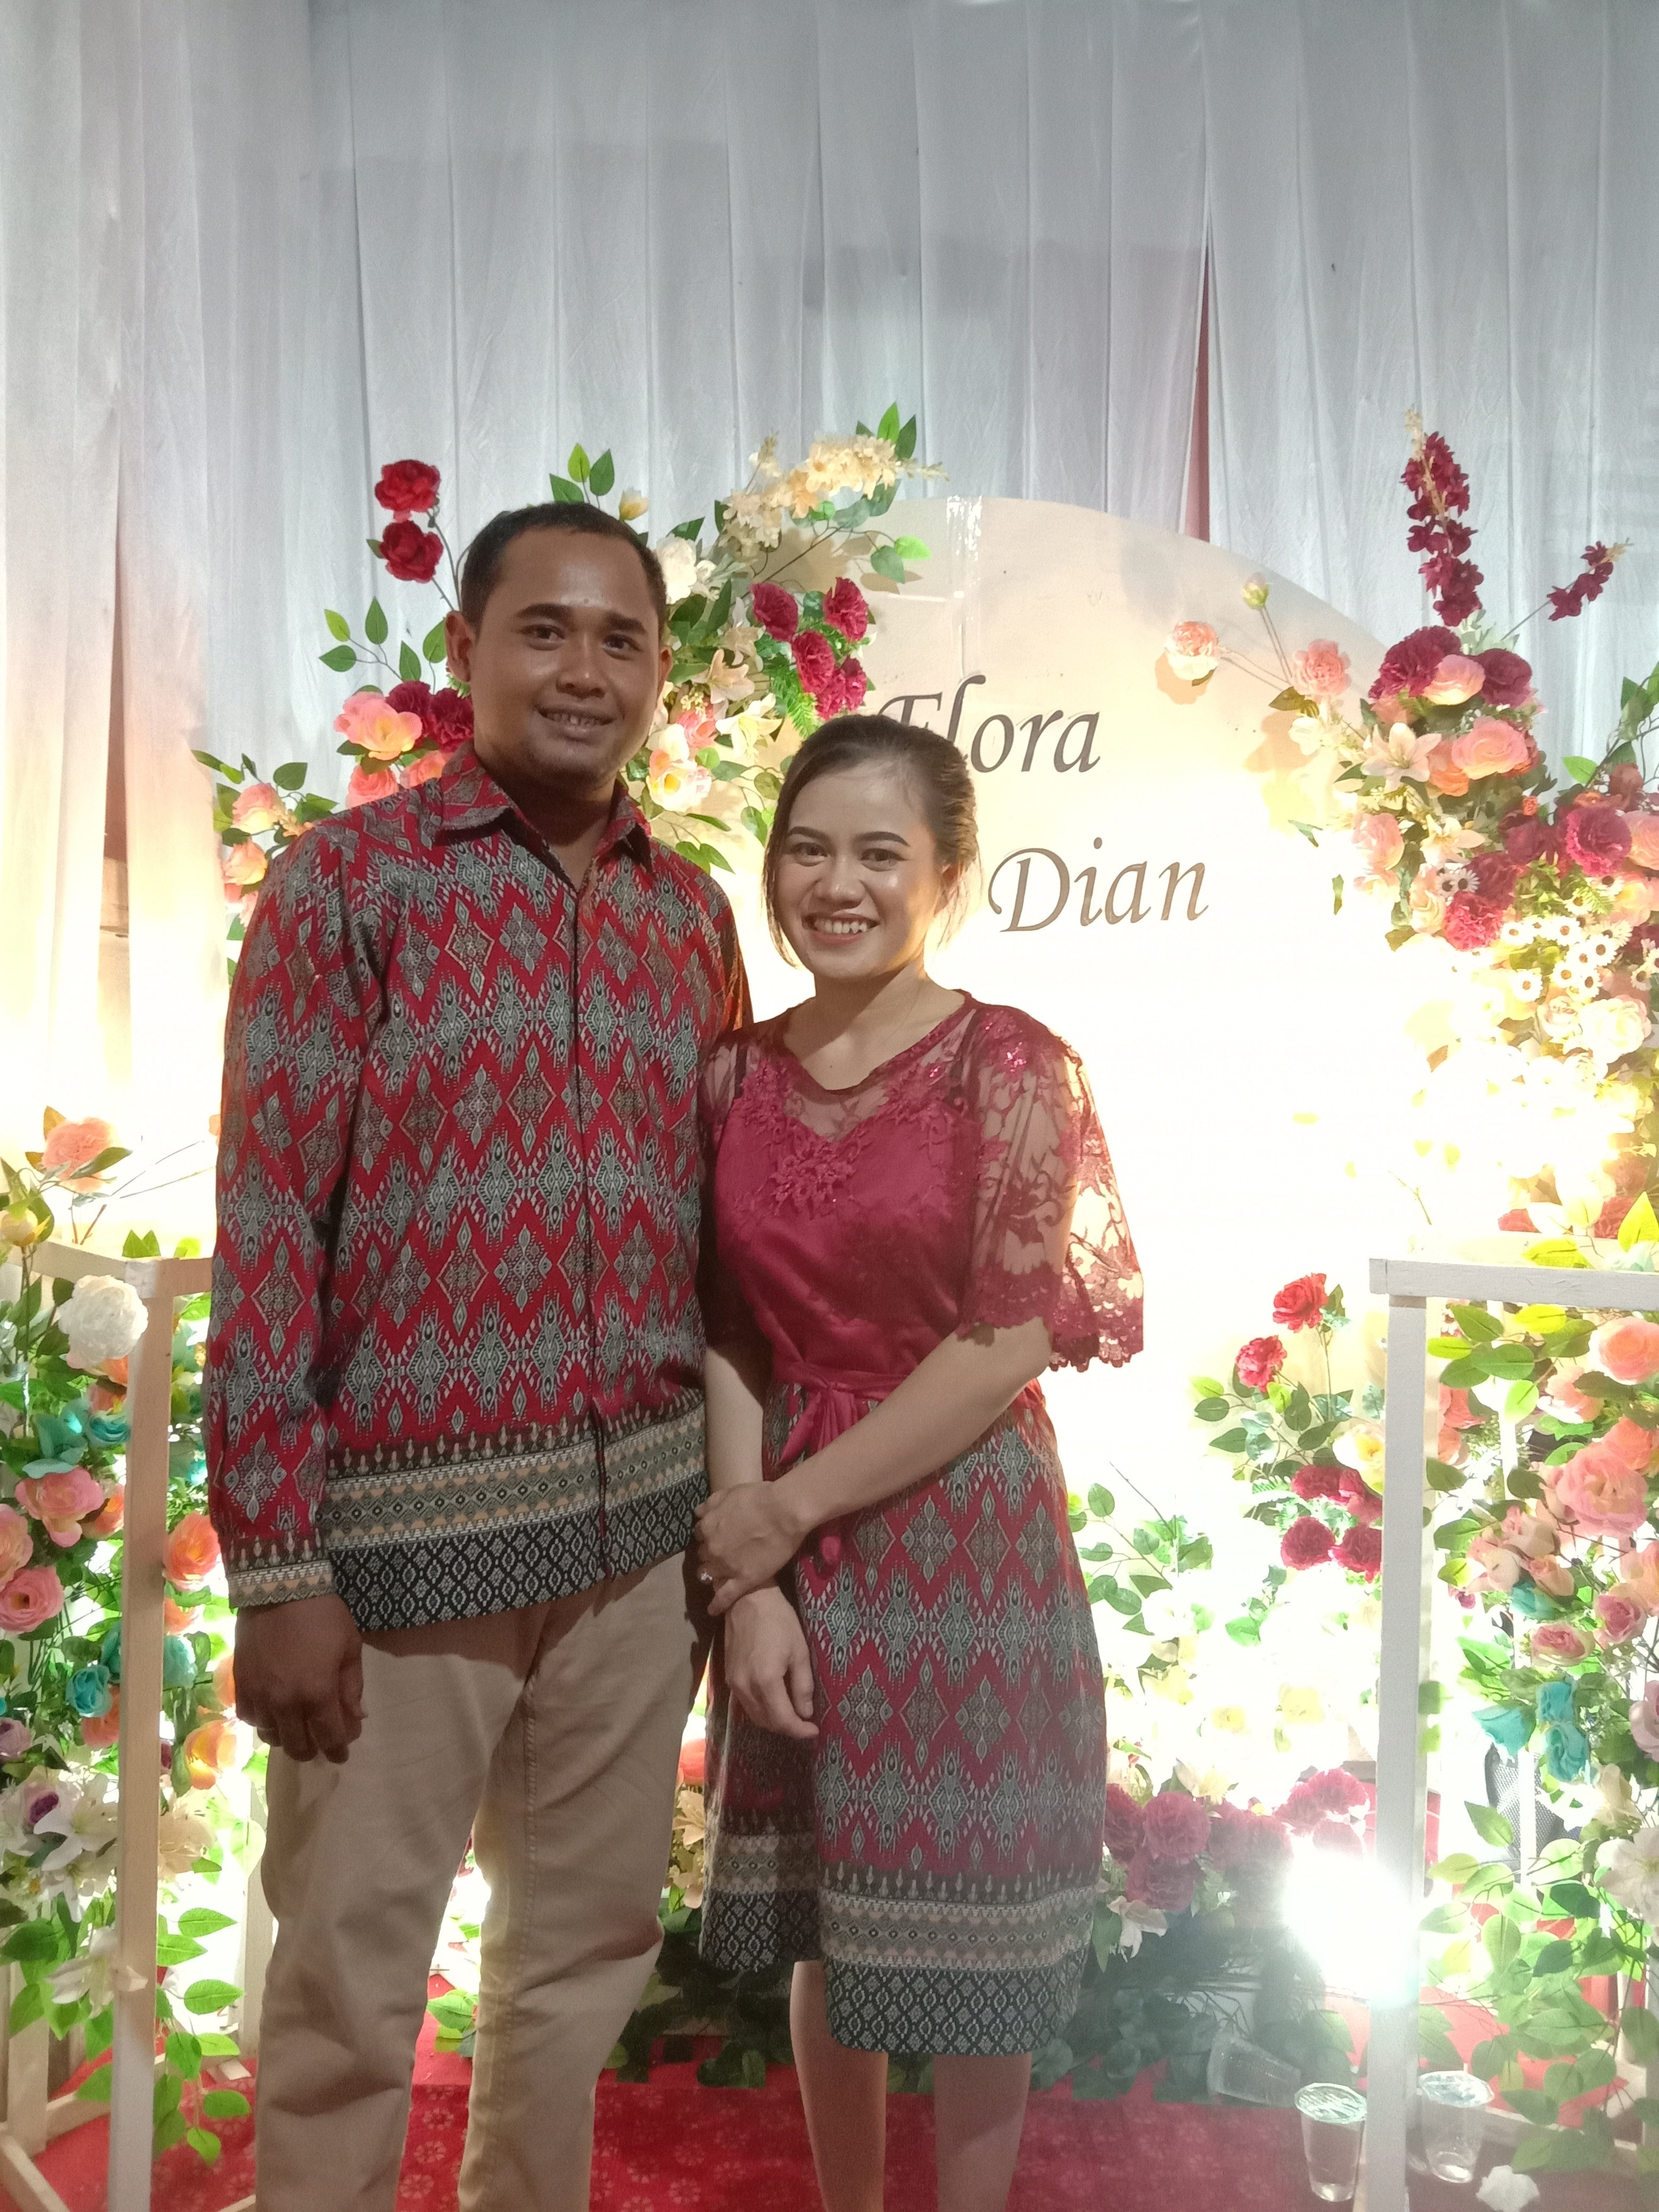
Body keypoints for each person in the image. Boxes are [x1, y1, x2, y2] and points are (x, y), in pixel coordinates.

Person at [203, 501, 747, 2212]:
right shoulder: (348, 884)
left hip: (635, 1557)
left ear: (660, 672)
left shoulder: (692, 913)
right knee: (349, 1983)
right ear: (467, 652)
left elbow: (722, 1232)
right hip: (394, 1569)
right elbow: (269, 1229)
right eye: (546, 629)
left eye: (621, 639)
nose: (585, 670)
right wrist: (279, 1570)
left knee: (579, 1967)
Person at [692, 714, 1142, 2212]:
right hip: (784, 1526)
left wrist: (783, 1512)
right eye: (808, 850)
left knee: (973, 1937)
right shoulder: (734, 1074)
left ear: (948, 876)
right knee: (831, 1921)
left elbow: (1007, 1340)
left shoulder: (1009, 1064)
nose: (839, 884)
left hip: (964, 1531)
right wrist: (749, 1575)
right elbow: (730, 1326)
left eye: (880, 854)